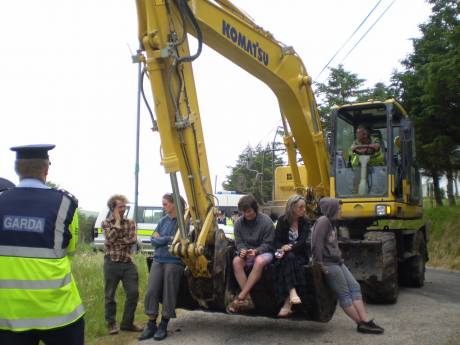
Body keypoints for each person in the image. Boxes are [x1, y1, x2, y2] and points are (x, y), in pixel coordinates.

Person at [0, 144, 85, 345]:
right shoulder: (66, 204)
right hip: (60, 312)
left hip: (8, 315)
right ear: (47, 169)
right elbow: (70, 250)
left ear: (16, 169)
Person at [311, 197, 384, 334]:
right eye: (338, 208)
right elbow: (316, 245)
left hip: (337, 262)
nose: (341, 210)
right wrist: (320, 265)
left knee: (355, 286)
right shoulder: (323, 222)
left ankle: (365, 319)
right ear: (331, 209)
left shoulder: (332, 223)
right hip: (329, 264)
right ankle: (361, 323)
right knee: (344, 295)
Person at [139, 193, 186, 341]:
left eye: (165, 204)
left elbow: (178, 242)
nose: (163, 206)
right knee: (152, 290)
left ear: (174, 204)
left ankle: (164, 323)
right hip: (159, 259)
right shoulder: (162, 221)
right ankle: (151, 323)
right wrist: (166, 239)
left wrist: (162, 239)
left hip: (174, 261)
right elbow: (153, 240)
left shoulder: (183, 223)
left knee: (169, 290)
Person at [227, 195, 275, 313]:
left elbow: (269, 243)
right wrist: (242, 250)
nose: (246, 214)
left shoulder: (266, 222)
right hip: (247, 253)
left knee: (259, 261)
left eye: (249, 211)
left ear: (255, 209)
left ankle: (241, 296)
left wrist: (257, 251)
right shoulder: (238, 223)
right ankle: (248, 299)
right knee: (236, 261)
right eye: (244, 212)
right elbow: (238, 242)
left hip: (264, 252)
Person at [102, 194, 142, 335]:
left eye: (124, 207)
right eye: (120, 207)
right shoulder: (106, 223)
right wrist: (117, 224)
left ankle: (127, 323)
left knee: (133, 293)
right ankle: (111, 324)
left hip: (127, 262)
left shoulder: (131, 223)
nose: (123, 209)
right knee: (110, 295)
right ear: (113, 208)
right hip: (111, 262)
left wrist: (116, 240)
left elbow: (132, 240)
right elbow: (109, 240)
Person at [274, 195, 311, 317]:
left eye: (304, 207)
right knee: (289, 258)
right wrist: (283, 248)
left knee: (290, 258)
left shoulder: (305, 222)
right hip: (285, 254)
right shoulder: (282, 220)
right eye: (300, 207)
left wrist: (289, 247)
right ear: (292, 208)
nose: (304, 209)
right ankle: (291, 295)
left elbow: (302, 242)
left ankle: (289, 298)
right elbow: (277, 240)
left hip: (299, 254)